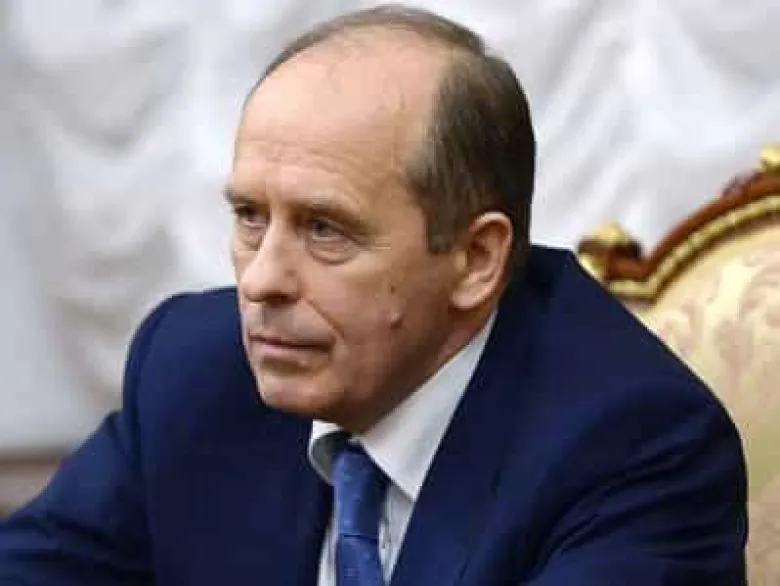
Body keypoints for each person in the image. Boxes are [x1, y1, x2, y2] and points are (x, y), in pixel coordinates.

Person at [0, 5, 747, 585]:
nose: (260, 280)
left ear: (476, 259)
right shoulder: (195, 370)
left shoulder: (632, 445)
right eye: (250, 217)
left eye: (324, 230)